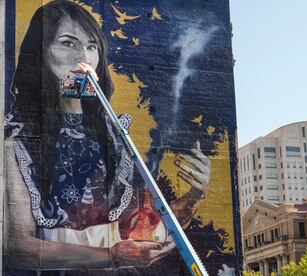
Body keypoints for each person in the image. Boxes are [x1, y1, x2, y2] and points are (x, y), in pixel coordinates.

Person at [4, 0, 210, 271]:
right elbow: (18, 248)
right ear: (39, 53)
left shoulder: (115, 134)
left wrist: (193, 196)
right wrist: (112, 255)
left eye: (92, 46)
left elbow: (142, 232)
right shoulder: (16, 138)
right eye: (68, 42)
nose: (84, 57)